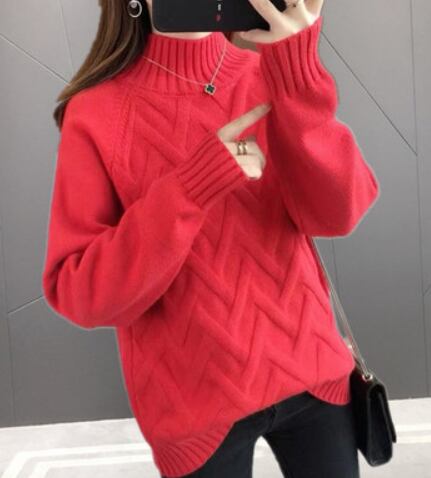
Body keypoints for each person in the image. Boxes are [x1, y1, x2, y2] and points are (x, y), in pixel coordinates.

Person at [42, 0, 380, 476]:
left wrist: (299, 73)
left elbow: (339, 213)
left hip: (313, 375)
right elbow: (79, 291)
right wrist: (191, 187)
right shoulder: (97, 112)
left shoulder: (272, 73)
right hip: (195, 408)